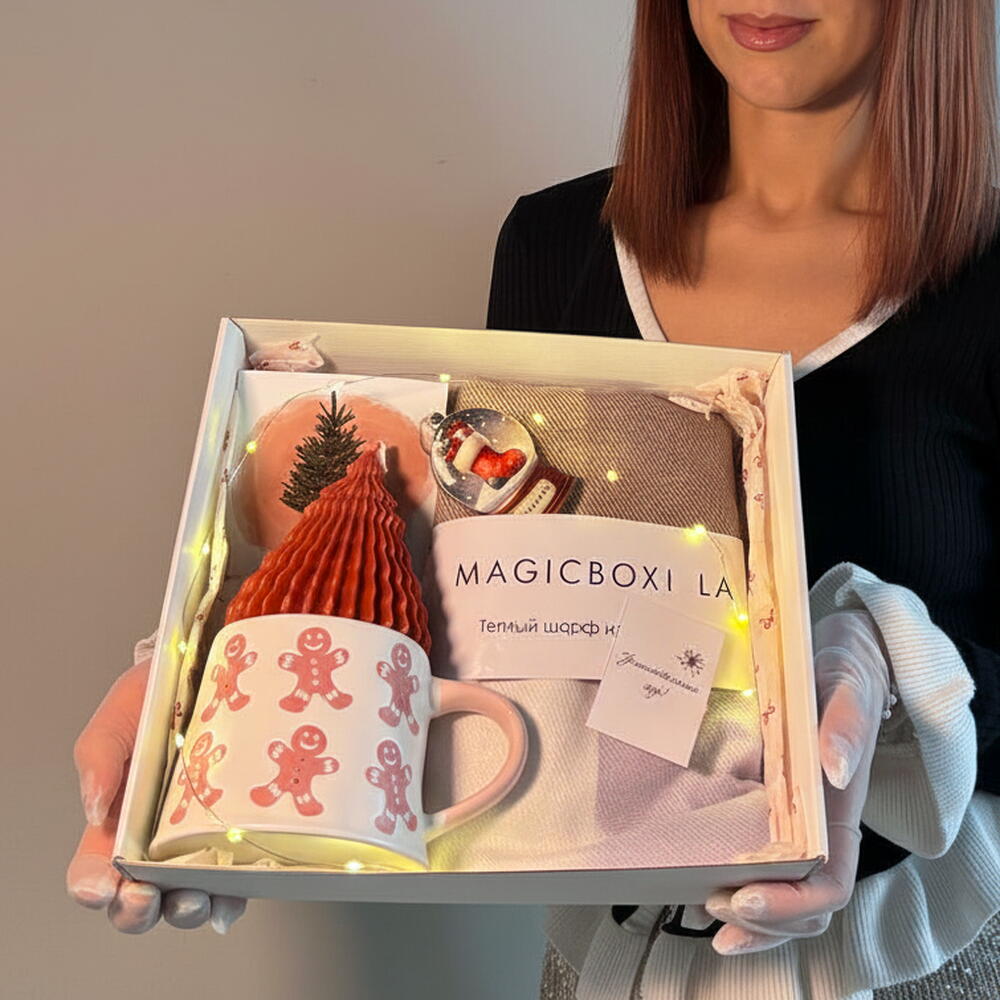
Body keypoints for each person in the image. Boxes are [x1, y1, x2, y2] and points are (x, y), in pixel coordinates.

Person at [68, 0, 999, 996]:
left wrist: (905, 681)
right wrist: (214, 686)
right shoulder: (555, 245)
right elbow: (498, 600)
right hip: (606, 960)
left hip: (923, 960)